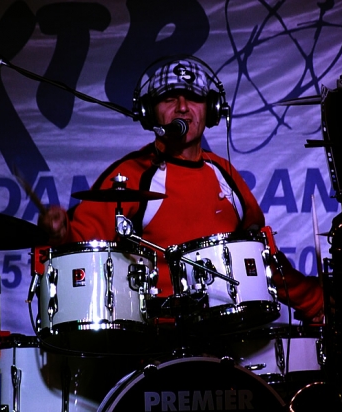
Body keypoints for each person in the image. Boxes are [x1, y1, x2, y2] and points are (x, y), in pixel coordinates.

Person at [38, 57, 323, 323]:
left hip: (229, 332)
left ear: (211, 110)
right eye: (169, 98)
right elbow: (78, 251)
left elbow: (260, 257)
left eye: (194, 98)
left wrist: (316, 302)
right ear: (150, 113)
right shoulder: (132, 174)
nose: (183, 107)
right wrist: (60, 234)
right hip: (159, 340)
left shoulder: (224, 173)